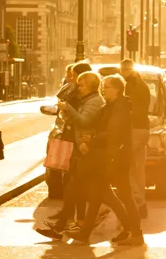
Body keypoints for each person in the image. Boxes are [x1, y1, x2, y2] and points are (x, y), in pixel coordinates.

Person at [64, 74, 144, 245]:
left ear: (115, 90)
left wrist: (91, 140)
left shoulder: (119, 108)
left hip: (117, 159)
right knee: (98, 195)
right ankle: (89, 233)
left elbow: (113, 134)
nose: (103, 90)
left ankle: (135, 232)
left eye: (106, 87)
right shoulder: (111, 106)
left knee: (125, 196)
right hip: (110, 158)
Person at [38, 68, 103, 239]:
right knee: (73, 186)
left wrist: (68, 107)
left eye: (80, 84)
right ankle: (69, 224)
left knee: (80, 189)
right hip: (78, 148)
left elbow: (83, 121)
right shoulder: (85, 98)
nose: (78, 87)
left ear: (89, 85)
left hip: (84, 149)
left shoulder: (94, 101)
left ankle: (78, 224)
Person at [119, 59, 151, 218]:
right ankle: (141, 204)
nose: (121, 73)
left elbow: (135, 110)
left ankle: (136, 203)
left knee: (128, 167)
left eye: (123, 70)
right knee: (138, 169)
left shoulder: (135, 85)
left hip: (135, 130)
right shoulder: (138, 83)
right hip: (142, 128)